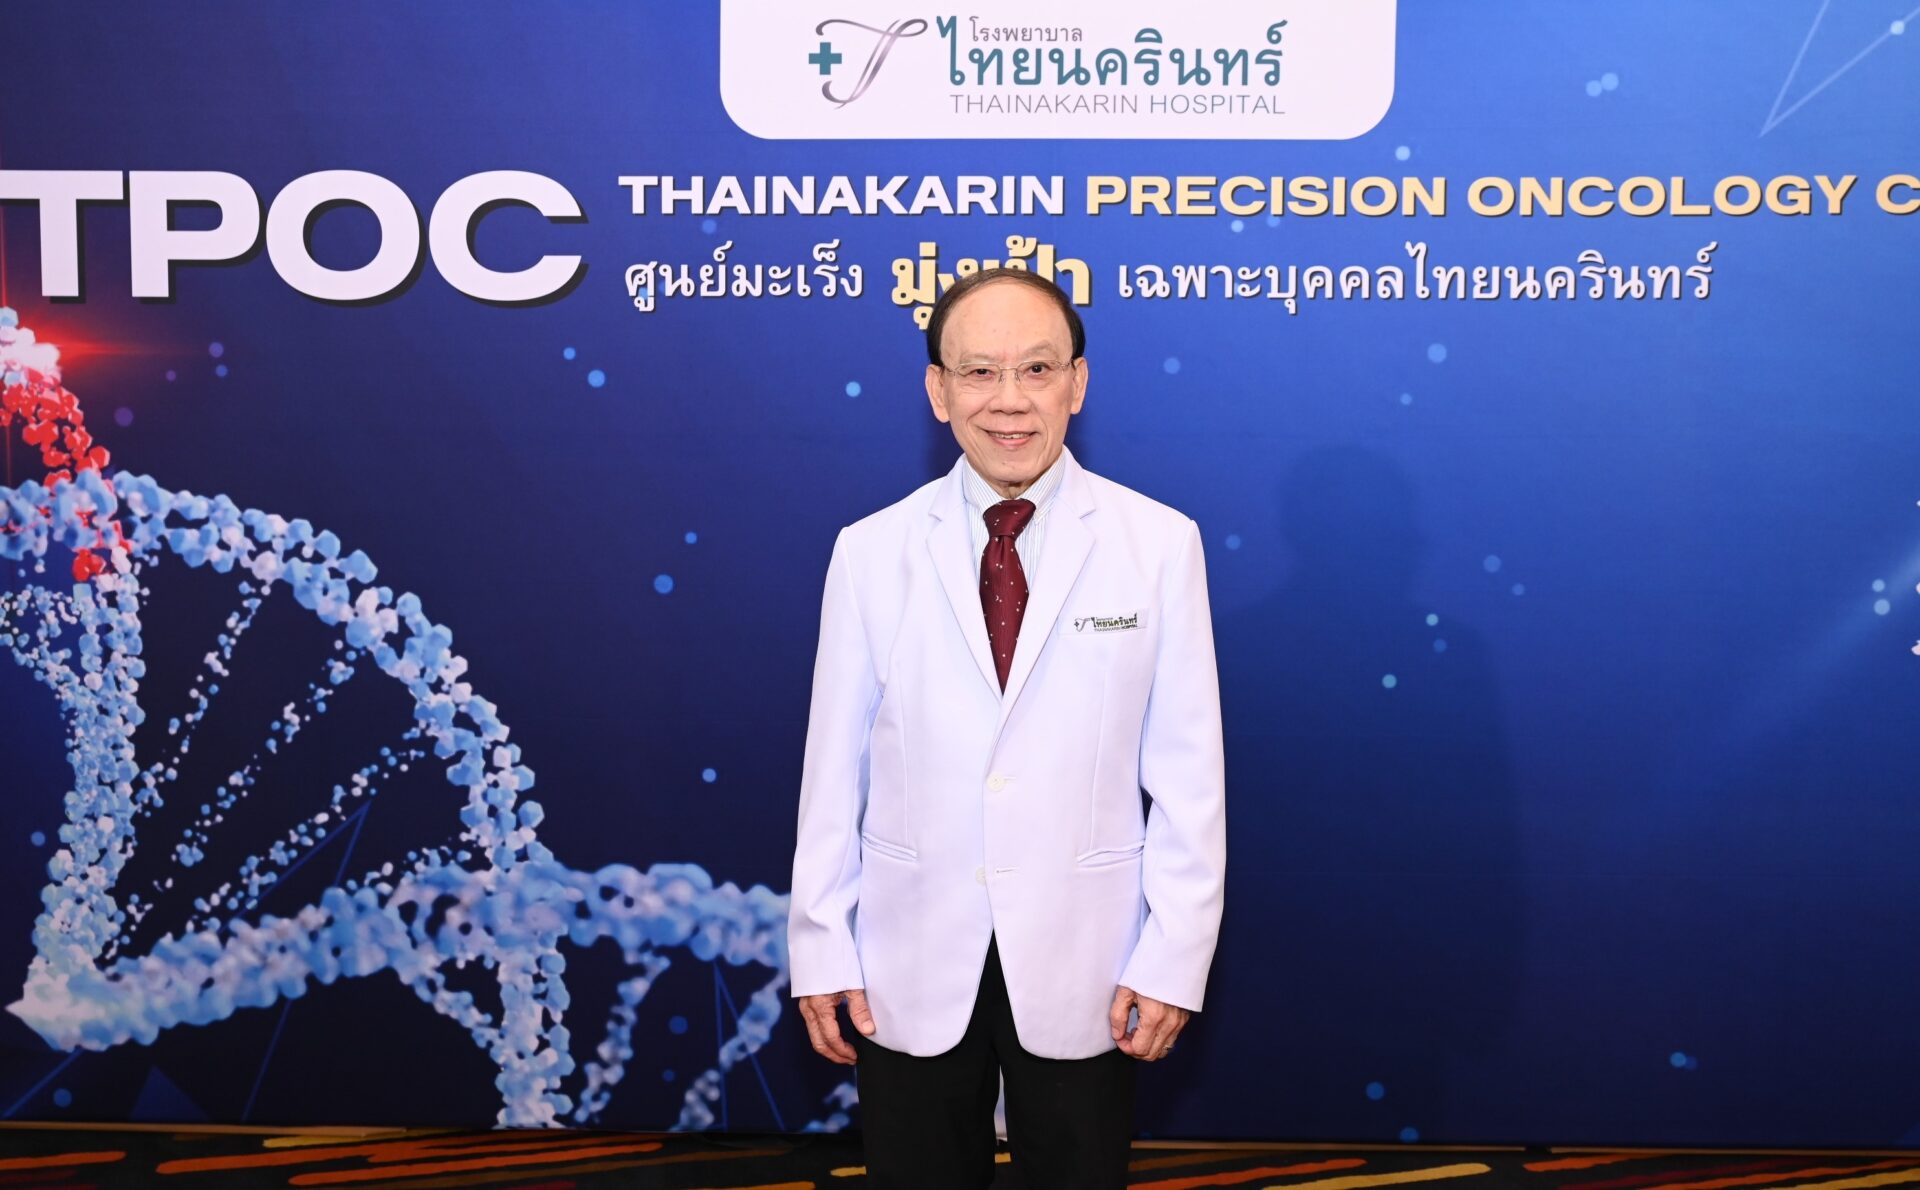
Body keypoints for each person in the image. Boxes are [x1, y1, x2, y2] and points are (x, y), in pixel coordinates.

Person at [787, 267, 1226, 1188]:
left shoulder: (1158, 544)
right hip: (906, 960)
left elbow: (1189, 778)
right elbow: (833, 772)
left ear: (1078, 382)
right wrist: (820, 943)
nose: (1010, 400)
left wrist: (1174, 956)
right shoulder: (870, 551)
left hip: (1091, 962)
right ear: (938, 390)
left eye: (1036, 368)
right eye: (979, 372)